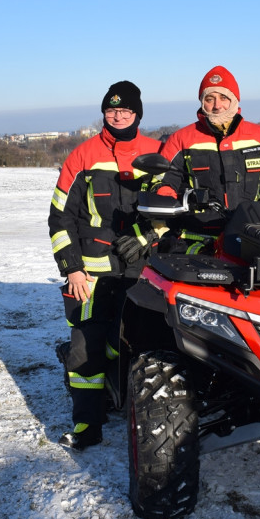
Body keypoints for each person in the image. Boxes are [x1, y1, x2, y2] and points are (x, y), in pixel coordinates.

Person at [48, 80, 161, 449]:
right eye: (111, 110)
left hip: (143, 270)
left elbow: (173, 211)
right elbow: (59, 218)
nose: (117, 115)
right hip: (91, 274)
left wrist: (149, 238)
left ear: (137, 115)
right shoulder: (81, 156)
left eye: (125, 110)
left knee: (135, 341)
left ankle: (130, 406)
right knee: (85, 349)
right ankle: (87, 426)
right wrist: (72, 269)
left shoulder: (158, 153)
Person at [156, 65, 260, 253]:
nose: (217, 105)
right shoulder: (182, 139)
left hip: (252, 234)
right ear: (202, 102)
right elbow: (162, 180)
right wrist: (168, 197)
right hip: (199, 238)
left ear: (235, 100)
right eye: (209, 98)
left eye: (224, 97)